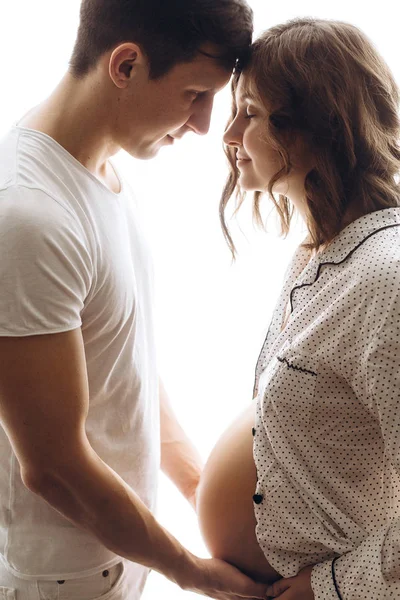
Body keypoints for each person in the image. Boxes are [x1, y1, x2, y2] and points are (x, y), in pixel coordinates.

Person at [0, 1, 274, 600]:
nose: (206, 125)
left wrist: (205, 492)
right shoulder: (27, 216)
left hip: (118, 562)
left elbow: (123, 367)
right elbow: (53, 466)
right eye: (195, 95)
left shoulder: (100, 171)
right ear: (124, 66)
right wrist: (196, 574)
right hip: (65, 581)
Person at [196, 17, 400, 600]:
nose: (228, 134)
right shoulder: (319, 252)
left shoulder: (387, 276)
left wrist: (330, 586)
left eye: (250, 112)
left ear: (318, 125)